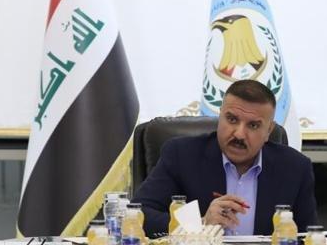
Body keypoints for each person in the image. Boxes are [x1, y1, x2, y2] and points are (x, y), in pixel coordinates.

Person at [133, 80, 317, 236]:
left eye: (253, 125)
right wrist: (200, 224)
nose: (239, 134)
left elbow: (307, 237)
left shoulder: (295, 168)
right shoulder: (181, 155)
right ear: (220, 116)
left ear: (268, 131)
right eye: (232, 119)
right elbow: (137, 215)